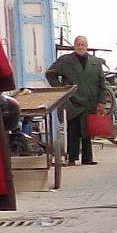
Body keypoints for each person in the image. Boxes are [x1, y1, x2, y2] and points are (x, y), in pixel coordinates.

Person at [45, 34, 108, 165]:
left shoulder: (95, 63)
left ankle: (87, 158)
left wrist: (101, 102)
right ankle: (72, 158)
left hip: (90, 100)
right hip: (72, 100)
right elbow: (50, 74)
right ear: (74, 46)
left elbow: (102, 83)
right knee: (73, 129)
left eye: (83, 45)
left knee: (87, 130)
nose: (80, 47)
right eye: (78, 45)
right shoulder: (65, 61)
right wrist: (61, 89)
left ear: (87, 46)